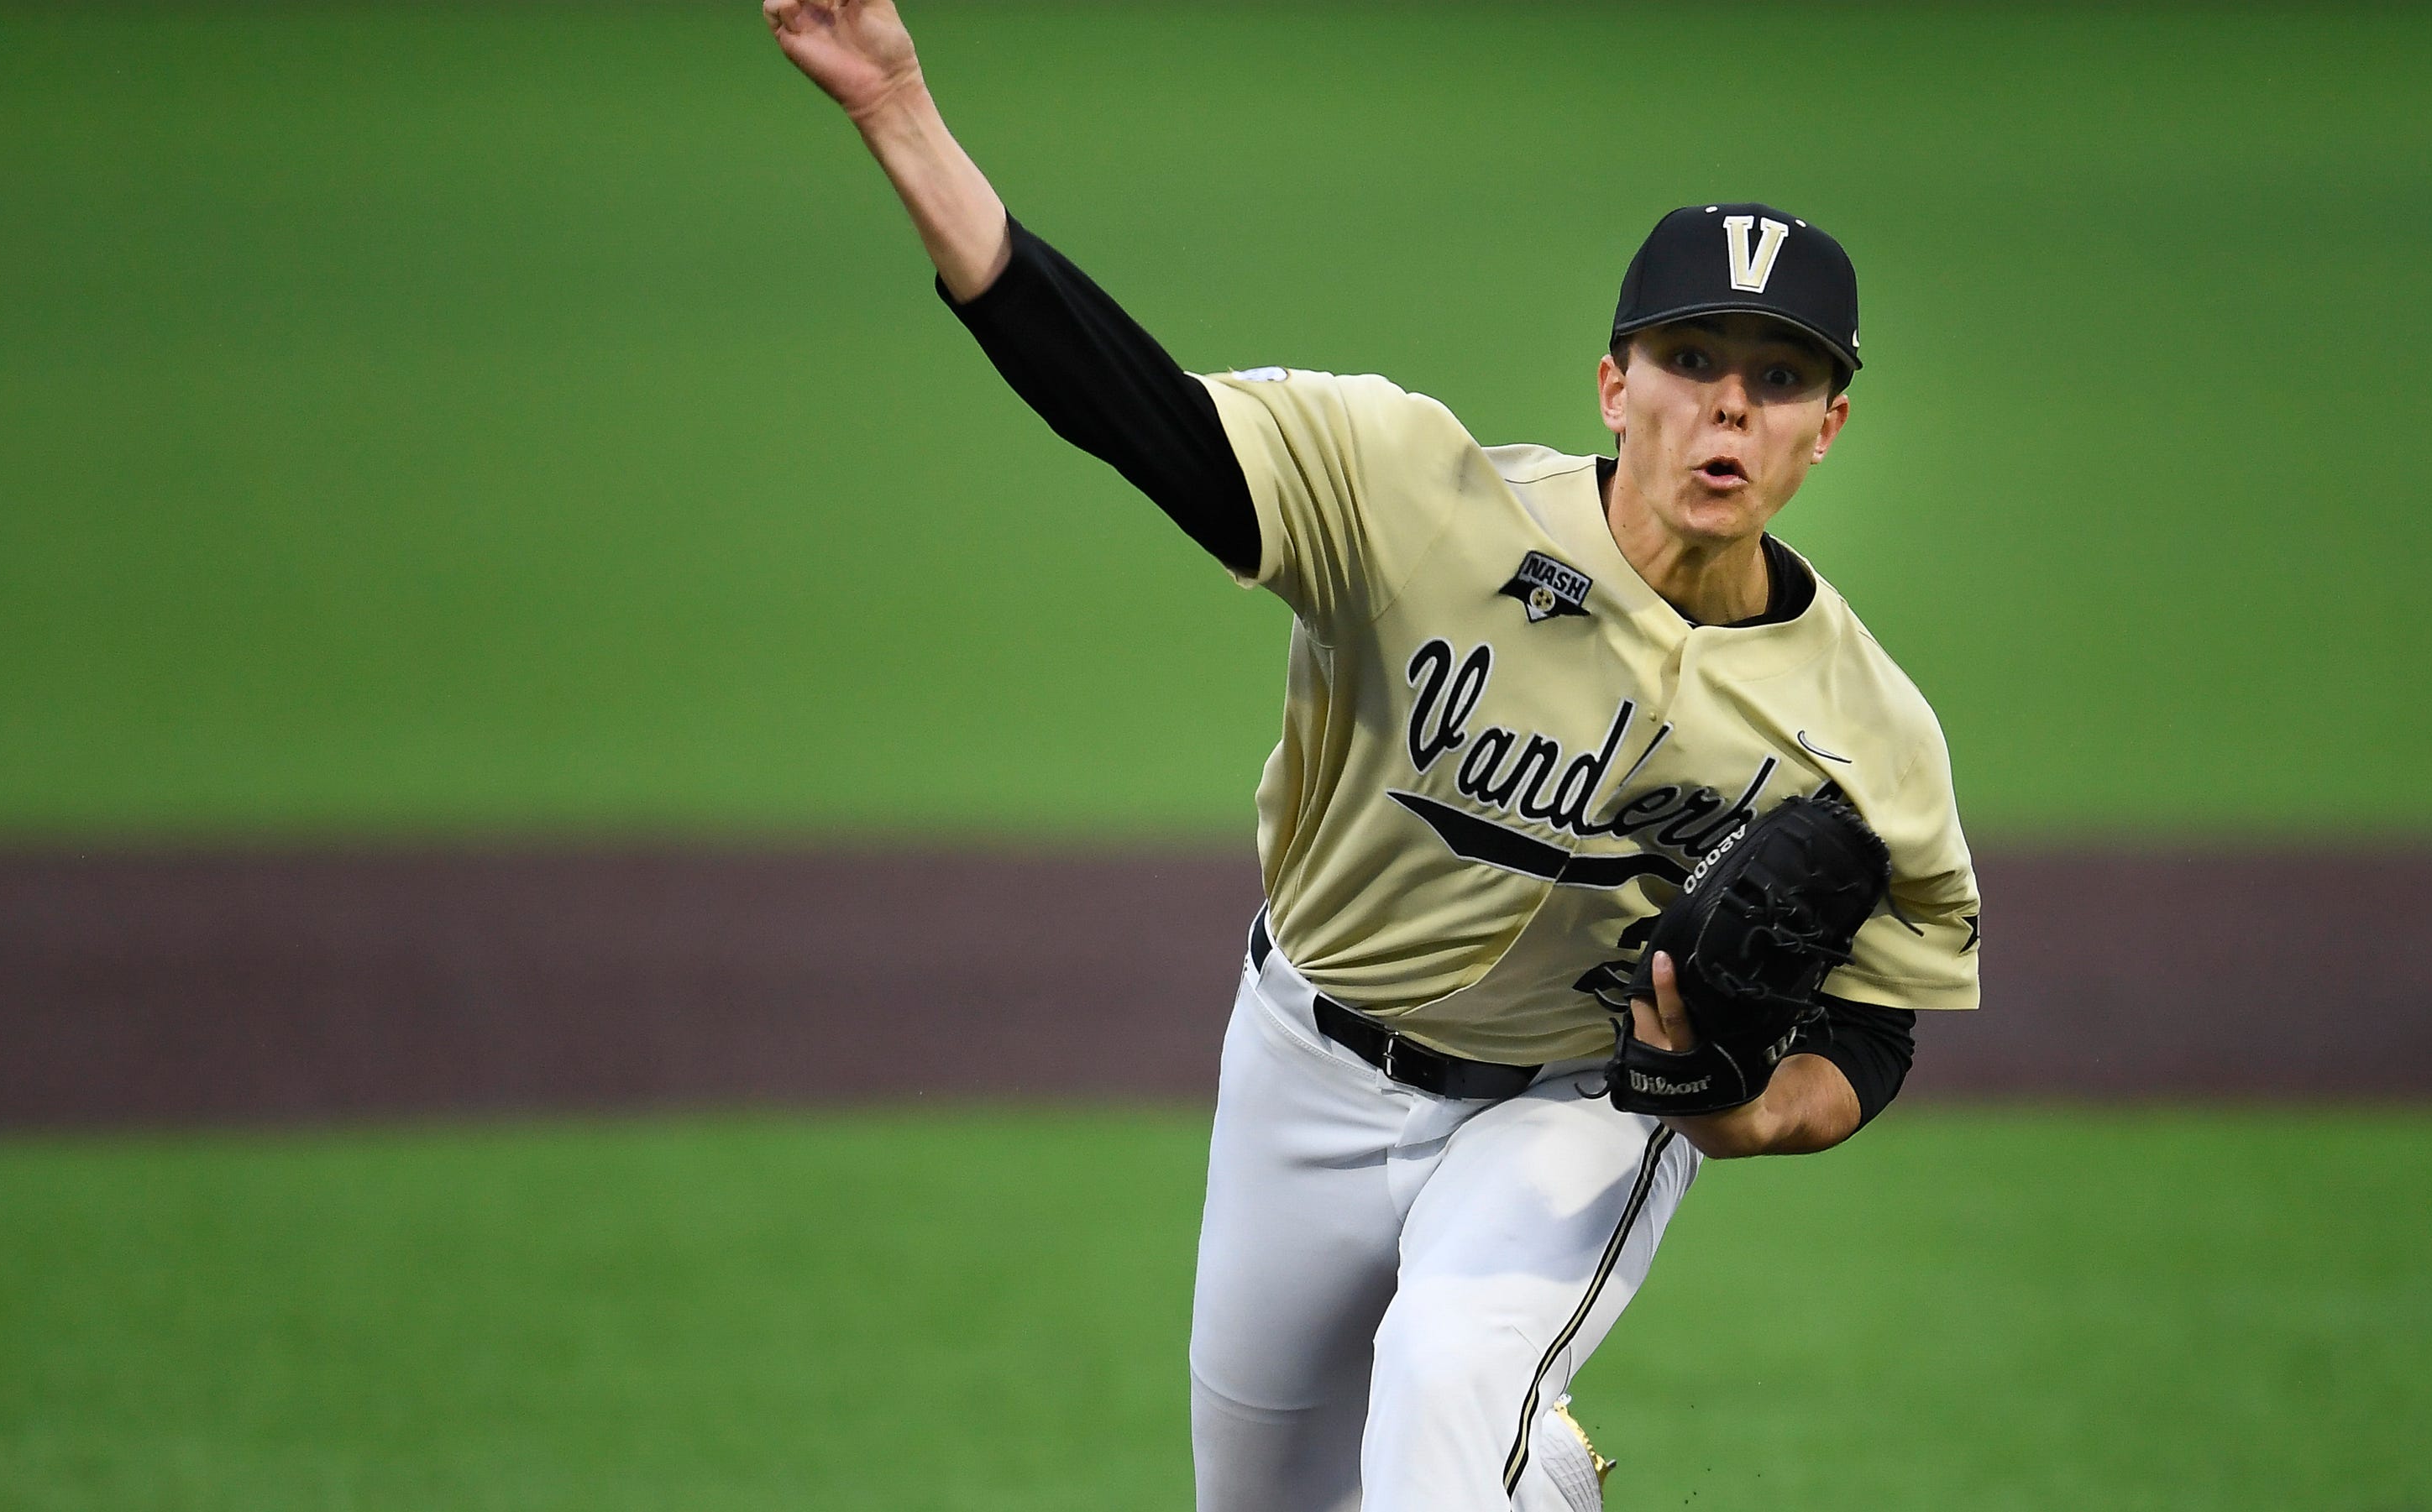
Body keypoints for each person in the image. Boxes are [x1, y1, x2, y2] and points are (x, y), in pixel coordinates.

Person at [763, 4, 1984, 1509]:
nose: (1728, 401)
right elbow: (1132, 413)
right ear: (1615, 386)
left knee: (1445, 1375)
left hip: (1577, 1099)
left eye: (1778, 376)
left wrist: (1731, 1108)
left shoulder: (1865, 732)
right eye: (1690, 355)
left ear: (1828, 428)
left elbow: (1874, 1036)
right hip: (1304, 1059)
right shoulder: (1416, 502)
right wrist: (898, 110)